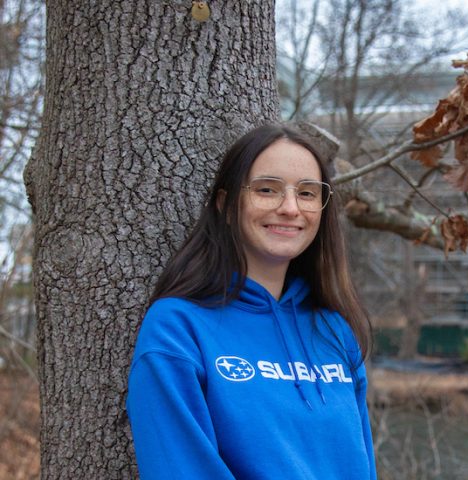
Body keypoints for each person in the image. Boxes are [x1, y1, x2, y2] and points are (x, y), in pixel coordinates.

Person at [126, 123, 377, 479]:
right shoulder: (178, 329)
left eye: (307, 193)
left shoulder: (335, 330)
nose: (290, 208)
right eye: (266, 189)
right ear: (226, 204)